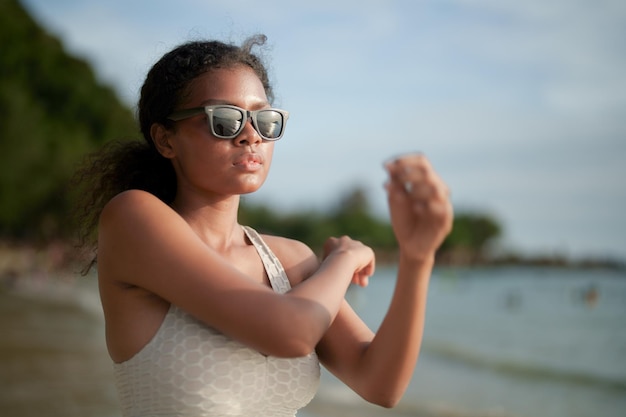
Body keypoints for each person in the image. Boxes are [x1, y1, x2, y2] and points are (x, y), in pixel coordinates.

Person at [74, 34, 453, 417]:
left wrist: (417, 258)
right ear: (165, 139)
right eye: (224, 119)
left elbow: (381, 383)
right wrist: (344, 258)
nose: (250, 135)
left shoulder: (290, 261)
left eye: (265, 120)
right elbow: (290, 332)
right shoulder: (133, 218)